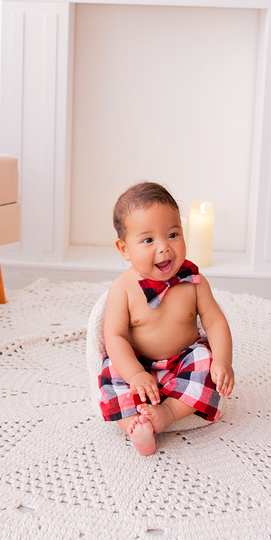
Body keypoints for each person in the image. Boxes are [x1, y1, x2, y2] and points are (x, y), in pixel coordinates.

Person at [98, 181, 234, 456]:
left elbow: (215, 321)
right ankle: (136, 426)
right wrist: (135, 374)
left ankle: (169, 412)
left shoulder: (193, 282)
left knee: (204, 362)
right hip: (139, 365)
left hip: (182, 360)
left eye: (173, 234)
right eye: (148, 240)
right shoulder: (122, 288)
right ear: (124, 249)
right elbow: (114, 336)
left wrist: (223, 360)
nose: (164, 247)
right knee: (112, 372)